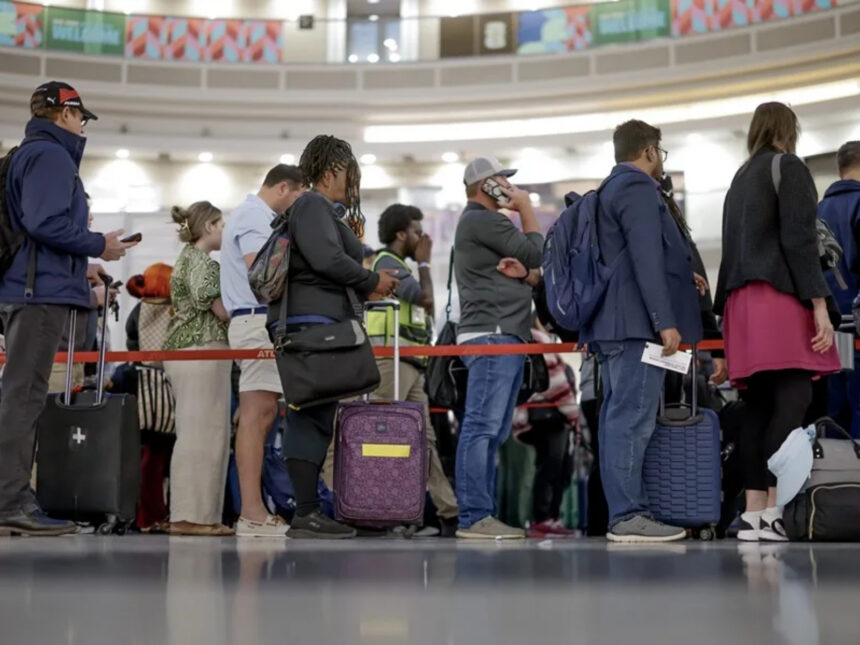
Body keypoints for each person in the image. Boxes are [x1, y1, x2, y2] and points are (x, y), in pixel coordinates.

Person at [0, 81, 136, 536]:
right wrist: (100, 243)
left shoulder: (30, 153)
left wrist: (85, 266)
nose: (83, 127)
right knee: (23, 398)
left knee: (20, 395)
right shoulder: (50, 156)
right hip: (37, 296)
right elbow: (44, 223)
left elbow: (34, 232)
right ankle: (10, 502)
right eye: (81, 117)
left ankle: (11, 498)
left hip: (30, 287)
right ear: (65, 114)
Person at [714, 102, 839, 542]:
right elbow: (800, 241)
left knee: (758, 407)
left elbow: (728, 253)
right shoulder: (790, 167)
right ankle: (773, 508)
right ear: (791, 130)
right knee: (794, 395)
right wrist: (819, 304)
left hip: (740, 304)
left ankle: (753, 515)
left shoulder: (740, 178)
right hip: (779, 298)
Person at [267, 135, 399, 539]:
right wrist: (372, 278)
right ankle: (305, 512)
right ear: (329, 174)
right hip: (316, 326)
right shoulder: (311, 205)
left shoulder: (316, 209)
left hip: (318, 323)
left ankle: (307, 509)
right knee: (310, 417)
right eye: (347, 174)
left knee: (314, 415)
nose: (351, 183)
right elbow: (327, 260)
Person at [580, 120, 702, 543]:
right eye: (660, 153)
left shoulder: (609, 190)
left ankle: (627, 512)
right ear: (649, 150)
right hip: (635, 326)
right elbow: (647, 258)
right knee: (631, 421)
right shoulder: (636, 189)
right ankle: (629, 515)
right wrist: (663, 319)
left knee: (619, 419)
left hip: (614, 324)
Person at [453, 156, 543, 540]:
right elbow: (537, 251)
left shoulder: (482, 223)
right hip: (492, 334)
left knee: (492, 430)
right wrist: (525, 207)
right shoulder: (482, 220)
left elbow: (532, 267)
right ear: (484, 185)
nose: (508, 187)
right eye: (501, 181)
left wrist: (526, 274)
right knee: (482, 427)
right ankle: (474, 515)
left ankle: (480, 513)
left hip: (500, 334)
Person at [365, 203, 459, 535]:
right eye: (417, 231)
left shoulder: (399, 264)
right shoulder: (388, 263)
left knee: (424, 439)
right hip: (390, 361)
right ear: (401, 234)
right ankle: (377, 510)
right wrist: (423, 261)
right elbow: (426, 299)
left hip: (410, 361)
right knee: (386, 438)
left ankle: (448, 511)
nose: (423, 238)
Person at [220, 164, 304, 537]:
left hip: (254, 322)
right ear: (284, 187)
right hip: (256, 322)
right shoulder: (256, 216)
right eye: (299, 198)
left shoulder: (253, 213)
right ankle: (252, 512)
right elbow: (265, 274)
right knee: (257, 415)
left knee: (261, 414)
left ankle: (254, 510)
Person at [163, 201, 233, 537]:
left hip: (186, 351)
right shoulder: (204, 264)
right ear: (208, 227)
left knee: (194, 432)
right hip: (201, 349)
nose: (224, 231)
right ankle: (193, 516)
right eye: (221, 224)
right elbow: (220, 311)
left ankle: (196, 514)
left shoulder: (186, 260)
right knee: (205, 434)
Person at [511, 321, 579, 539]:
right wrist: (573, 415)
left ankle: (547, 519)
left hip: (535, 417)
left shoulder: (521, 337)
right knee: (553, 468)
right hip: (551, 416)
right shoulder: (539, 338)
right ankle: (546, 519)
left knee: (546, 467)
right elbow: (556, 382)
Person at [818, 141, 860, 438]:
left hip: (828, 329)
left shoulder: (816, 211)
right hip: (857, 325)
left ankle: (836, 482)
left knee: (834, 410)